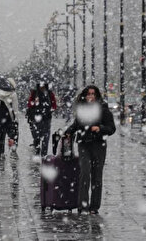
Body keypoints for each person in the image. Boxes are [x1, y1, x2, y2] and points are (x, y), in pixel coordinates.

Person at [63, 85, 116, 215]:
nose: (90, 97)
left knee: (97, 177)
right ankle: (83, 205)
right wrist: (68, 132)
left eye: (93, 94)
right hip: (83, 144)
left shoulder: (103, 109)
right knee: (85, 173)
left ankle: (94, 207)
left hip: (98, 145)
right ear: (85, 96)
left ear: (97, 96)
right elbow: (76, 124)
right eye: (88, 94)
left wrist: (100, 128)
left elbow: (111, 128)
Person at [27, 83, 57, 156]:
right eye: (40, 86)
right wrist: (34, 103)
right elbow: (29, 104)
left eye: (43, 86)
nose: (42, 87)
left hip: (46, 118)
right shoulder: (34, 93)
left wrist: (50, 110)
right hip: (36, 118)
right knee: (36, 136)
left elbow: (54, 105)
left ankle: (44, 155)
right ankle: (37, 150)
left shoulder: (50, 93)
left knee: (45, 137)